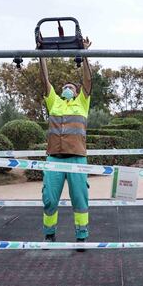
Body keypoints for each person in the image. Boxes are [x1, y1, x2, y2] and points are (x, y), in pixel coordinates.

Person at [38, 37, 92, 250]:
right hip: (54, 159)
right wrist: (40, 55)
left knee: (80, 199)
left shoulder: (82, 103)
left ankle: (81, 236)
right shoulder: (55, 103)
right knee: (49, 199)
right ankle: (49, 235)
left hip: (77, 158)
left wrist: (85, 52)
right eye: (65, 87)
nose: (67, 88)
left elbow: (88, 80)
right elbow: (45, 80)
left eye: (71, 86)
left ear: (77, 92)